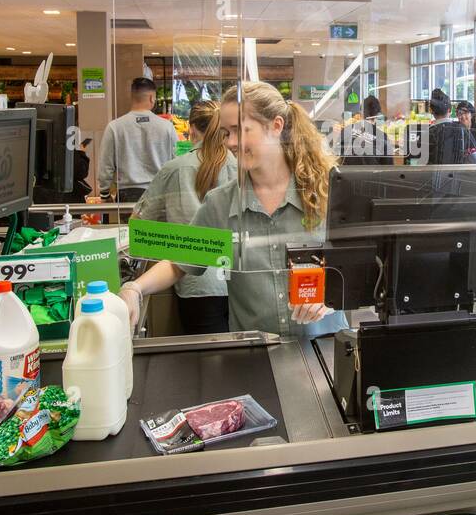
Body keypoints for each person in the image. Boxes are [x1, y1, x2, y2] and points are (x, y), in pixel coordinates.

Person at [120, 82, 344, 340]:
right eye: (226, 133)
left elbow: (365, 269)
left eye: (240, 130)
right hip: (256, 356)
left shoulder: (327, 193)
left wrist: (331, 298)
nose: (231, 143)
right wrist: (134, 288)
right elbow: (179, 262)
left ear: (276, 126)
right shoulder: (222, 203)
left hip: (327, 351)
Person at [132, 100, 237, 334]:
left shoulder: (175, 168)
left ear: (191, 129)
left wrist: (176, 238)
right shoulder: (240, 166)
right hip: (239, 285)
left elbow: (139, 225)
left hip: (196, 285)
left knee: (205, 363)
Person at [97, 77, 177, 202]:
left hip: (126, 194)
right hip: (159, 192)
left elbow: (105, 166)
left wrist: (105, 194)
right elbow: (175, 161)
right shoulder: (167, 127)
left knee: (128, 222)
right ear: (152, 98)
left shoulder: (115, 127)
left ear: (133, 97)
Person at [426, 89, 476, 164]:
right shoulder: (462, 130)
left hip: (433, 175)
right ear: (450, 110)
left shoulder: (427, 133)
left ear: (431, 111)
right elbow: (474, 157)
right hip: (458, 174)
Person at [338, 94, 394, 166]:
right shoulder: (382, 137)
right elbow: (389, 168)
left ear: (361, 113)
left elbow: (336, 157)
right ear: (377, 115)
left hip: (345, 175)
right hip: (372, 176)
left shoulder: (346, 130)